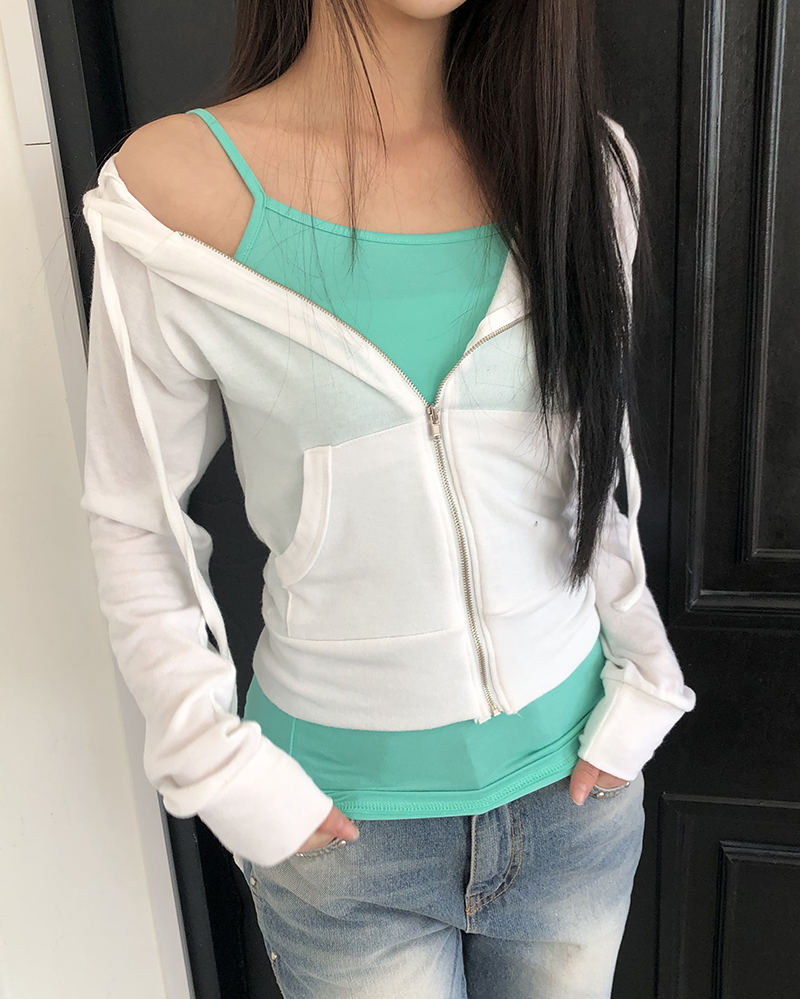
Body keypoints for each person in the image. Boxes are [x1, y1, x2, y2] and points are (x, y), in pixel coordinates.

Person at [80, 1, 696, 996]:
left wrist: (646, 683)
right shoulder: (174, 190)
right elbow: (133, 519)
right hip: (345, 839)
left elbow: (597, 475)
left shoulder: (583, 164)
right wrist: (217, 768)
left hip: (575, 795)